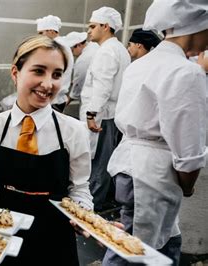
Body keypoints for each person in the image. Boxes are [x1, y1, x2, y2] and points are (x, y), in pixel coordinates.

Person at [0, 34, 93, 265]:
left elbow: (79, 189)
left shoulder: (73, 130)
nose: (48, 84)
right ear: (15, 73)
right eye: (38, 71)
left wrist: (84, 216)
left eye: (57, 74)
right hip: (5, 239)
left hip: (57, 241)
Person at [103, 0, 208, 265]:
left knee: (163, 240)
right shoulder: (187, 72)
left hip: (127, 164)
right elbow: (188, 151)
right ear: (200, 25)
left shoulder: (141, 63)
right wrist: (188, 186)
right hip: (153, 176)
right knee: (133, 252)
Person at [79, 6, 131, 211]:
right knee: (104, 159)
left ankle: (91, 208)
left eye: (92, 26)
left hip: (102, 115)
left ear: (106, 26)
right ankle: (97, 202)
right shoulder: (118, 49)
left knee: (98, 162)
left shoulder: (108, 51)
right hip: (110, 114)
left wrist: (92, 114)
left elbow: (102, 86)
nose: (89, 31)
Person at [36, 15, 74, 112]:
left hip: (53, 100)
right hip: (56, 99)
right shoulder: (62, 45)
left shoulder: (57, 47)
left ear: (51, 31)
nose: (39, 37)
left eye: (41, 33)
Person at [64, 31, 99, 106]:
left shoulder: (83, 60)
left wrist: (68, 100)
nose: (72, 54)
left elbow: (79, 83)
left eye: (72, 50)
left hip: (91, 99)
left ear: (78, 45)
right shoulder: (94, 45)